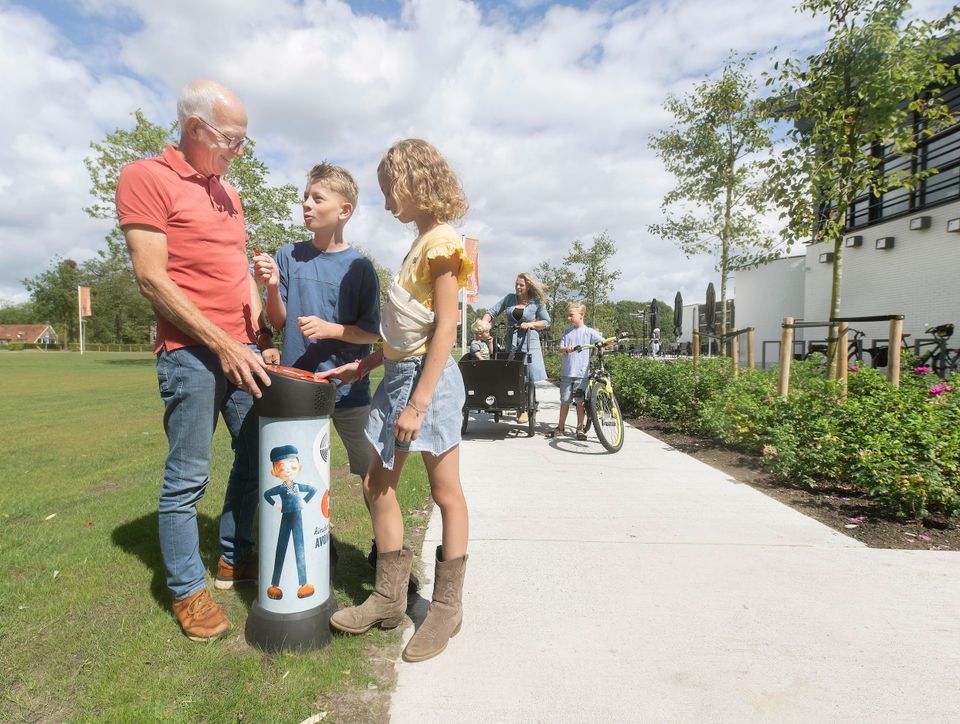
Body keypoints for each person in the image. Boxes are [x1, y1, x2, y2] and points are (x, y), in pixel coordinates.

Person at [115, 79, 276, 641]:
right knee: (188, 475)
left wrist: (257, 333)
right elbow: (151, 279)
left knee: (259, 453)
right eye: (231, 139)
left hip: (244, 349)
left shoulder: (228, 193)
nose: (237, 150)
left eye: (242, 141)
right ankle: (187, 589)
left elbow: (235, 274)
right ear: (193, 128)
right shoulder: (144, 177)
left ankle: (235, 555)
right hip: (189, 354)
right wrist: (223, 344)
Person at [319, 138, 472, 663]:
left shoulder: (444, 243)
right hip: (399, 377)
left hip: (427, 385)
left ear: (415, 183)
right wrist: (362, 364)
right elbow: (406, 333)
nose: (387, 204)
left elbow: (446, 329)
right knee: (375, 483)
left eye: (391, 192)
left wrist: (418, 404)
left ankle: (447, 610)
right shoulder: (421, 242)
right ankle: (388, 598)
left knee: (444, 489)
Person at [252, 162, 380, 566]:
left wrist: (331, 329)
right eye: (305, 197)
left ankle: (386, 549)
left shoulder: (360, 267)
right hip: (297, 391)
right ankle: (317, 549)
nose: (306, 204)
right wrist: (271, 286)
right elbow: (278, 321)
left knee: (371, 474)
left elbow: (370, 334)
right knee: (299, 476)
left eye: (316, 198)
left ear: (343, 210)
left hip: (350, 390)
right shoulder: (287, 256)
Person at [482, 272, 550, 423]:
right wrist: (483, 324)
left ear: (528, 286)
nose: (518, 287)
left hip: (529, 340)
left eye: (521, 285)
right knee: (513, 372)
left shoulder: (536, 301)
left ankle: (525, 408)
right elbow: (491, 312)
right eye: (516, 284)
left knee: (528, 373)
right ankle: (516, 404)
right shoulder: (509, 298)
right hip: (511, 340)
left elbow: (546, 321)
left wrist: (531, 324)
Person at [263, 445, 317, 601]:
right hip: (286, 518)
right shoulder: (280, 489)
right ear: (275, 472)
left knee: (299, 548)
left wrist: (304, 502)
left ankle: (304, 584)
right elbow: (267, 495)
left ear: (298, 467)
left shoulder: (298, 486)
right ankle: (274, 584)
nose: (287, 470)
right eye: (281, 467)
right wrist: (277, 505)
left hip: (297, 517)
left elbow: (312, 489)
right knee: (281, 548)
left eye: (291, 465)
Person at [546, 302, 603, 440]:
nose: (568, 318)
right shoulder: (567, 332)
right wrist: (567, 348)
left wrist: (609, 339)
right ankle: (560, 427)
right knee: (564, 401)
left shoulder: (589, 332)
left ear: (581, 315)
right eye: (568, 315)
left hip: (581, 374)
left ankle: (580, 429)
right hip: (567, 373)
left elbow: (603, 341)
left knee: (580, 402)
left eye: (571, 315)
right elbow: (560, 349)